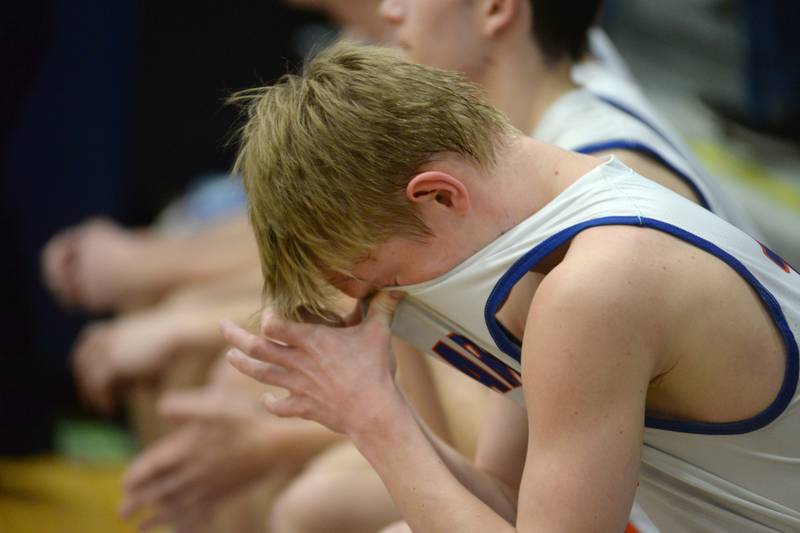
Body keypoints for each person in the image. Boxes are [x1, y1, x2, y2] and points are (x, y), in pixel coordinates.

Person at [223, 42, 800, 533]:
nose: (395, 301)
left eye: (390, 279)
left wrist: (373, 420)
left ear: (439, 197)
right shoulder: (546, 244)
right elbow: (504, 497)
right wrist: (372, 401)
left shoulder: (596, 286)